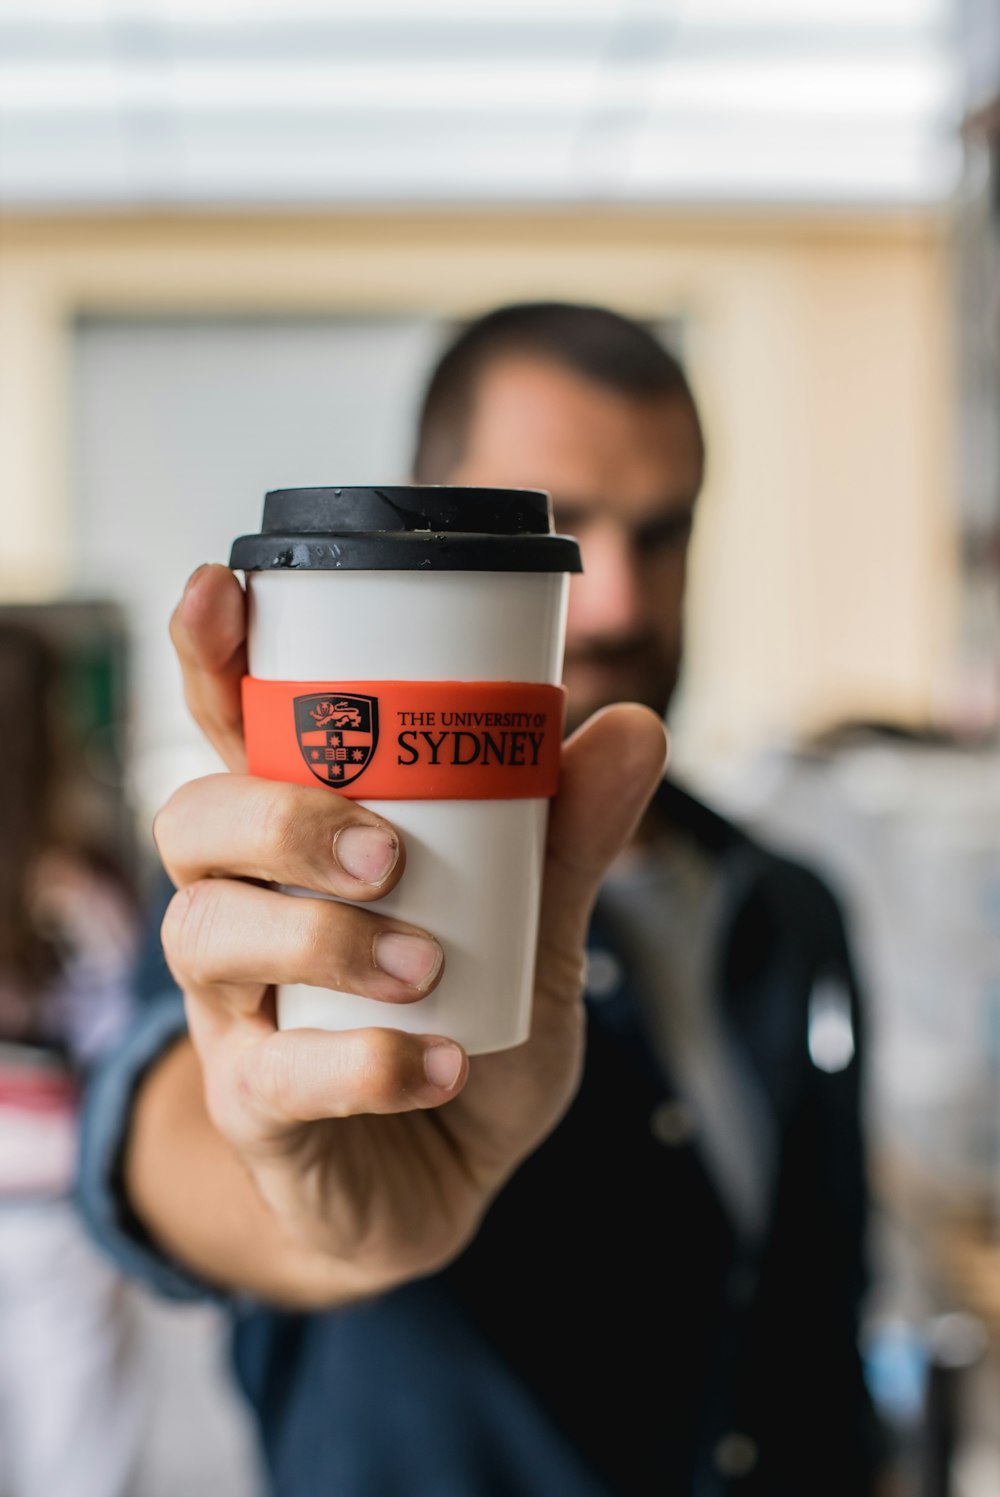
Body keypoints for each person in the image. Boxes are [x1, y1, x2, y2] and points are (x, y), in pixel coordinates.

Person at [79, 303, 880, 1495]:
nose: (612, 597)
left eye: (661, 535)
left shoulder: (788, 909)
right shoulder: (293, 875)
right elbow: (162, 1131)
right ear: (423, 516)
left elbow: (817, 1315)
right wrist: (305, 1211)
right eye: (561, 525)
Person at [0, 622, 142, 1497]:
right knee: (77, 1466)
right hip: (55, 1214)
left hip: (50, 1219)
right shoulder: (81, 888)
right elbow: (120, 1047)